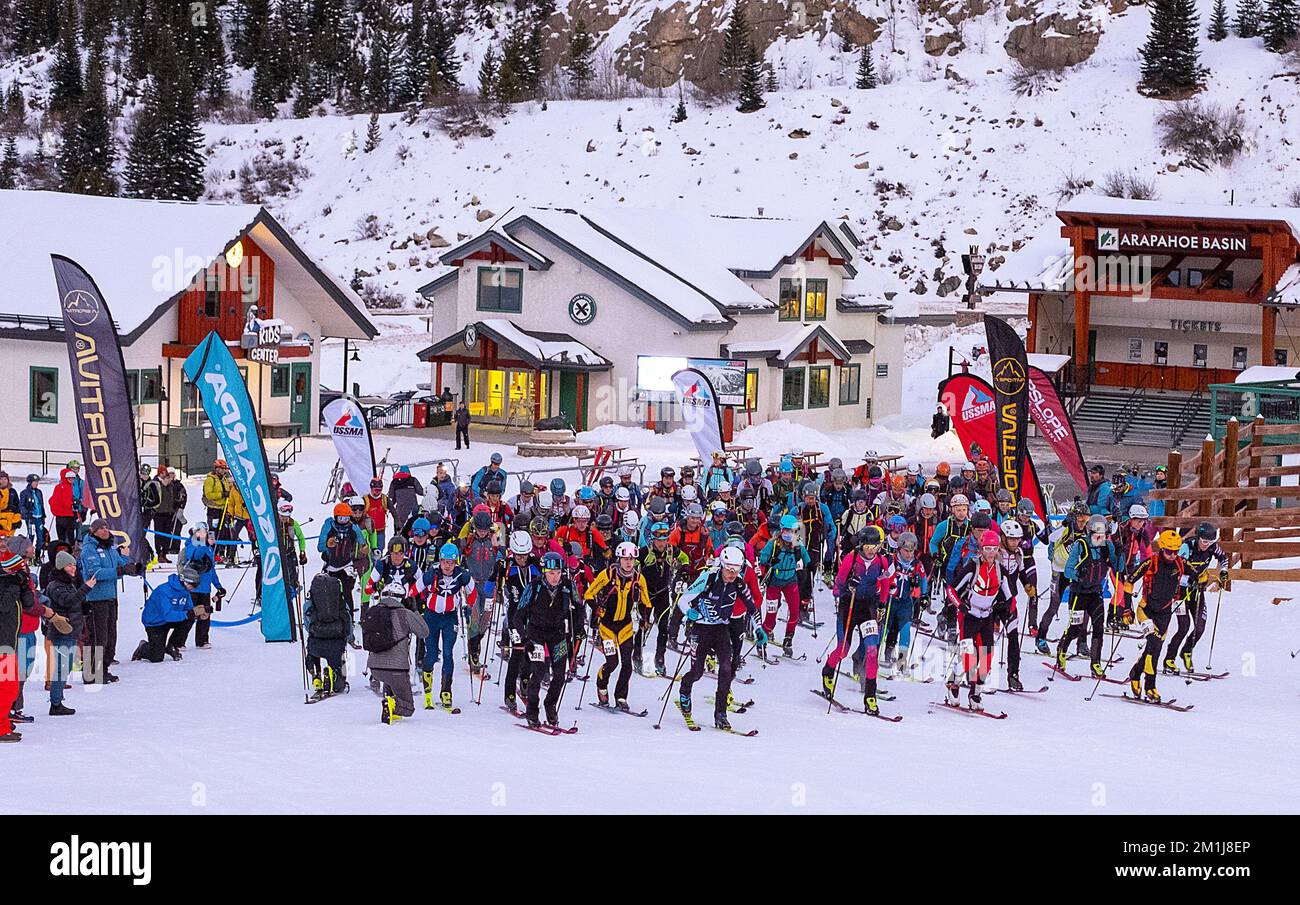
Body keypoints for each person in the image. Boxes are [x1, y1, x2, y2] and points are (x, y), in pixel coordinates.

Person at [675, 545, 758, 731]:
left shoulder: (738, 584)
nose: (732, 574)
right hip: (701, 629)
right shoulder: (709, 578)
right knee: (697, 672)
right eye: (729, 569)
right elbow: (683, 599)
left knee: (727, 670)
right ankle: (685, 689)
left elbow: (751, 607)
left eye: (736, 570)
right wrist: (689, 612)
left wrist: (759, 629)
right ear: (722, 565)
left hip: (721, 629)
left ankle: (721, 714)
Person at [943, 529, 1013, 710]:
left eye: (994, 549)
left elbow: (1009, 596)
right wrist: (960, 605)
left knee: (987, 657)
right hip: (969, 617)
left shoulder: (1000, 570)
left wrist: (1003, 607)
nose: (991, 553)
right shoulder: (972, 567)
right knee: (969, 659)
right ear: (981, 549)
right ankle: (953, 684)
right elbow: (951, 590)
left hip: (987, 617)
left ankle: (975, 693)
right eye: (987, 549)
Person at [822, 527, 887, 711]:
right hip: (849, 605)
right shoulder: (851, 559)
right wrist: (848, 586)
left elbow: (886, 583)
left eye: (875, 546)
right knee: (843, 649)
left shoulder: (881, 561)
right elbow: (837, 587)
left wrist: (882, 603)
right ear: (861, 545)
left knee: (872, 650)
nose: (871, 550)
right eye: (868, 546)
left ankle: (870, 696)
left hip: (868, 608)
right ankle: (827, 671)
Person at [514, 552, 580, 729]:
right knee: (538, 672)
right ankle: (532, 711)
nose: (555, 577)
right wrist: (525, 637)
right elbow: (518, 616)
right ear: (544, 572)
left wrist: (579, 631)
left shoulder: (568, 586)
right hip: (536, 634)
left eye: (558, 572)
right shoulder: (534, 587)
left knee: (559, 674)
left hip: (557, 633)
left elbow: (579, 608)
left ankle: (550, 705)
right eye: (551, 573)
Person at [584, 541, 651, 710]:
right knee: (612, 662)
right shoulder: (607, 575)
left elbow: (646, 602)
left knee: (627, 664)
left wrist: (644, 618)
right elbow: (589, 593)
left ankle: (621, 697)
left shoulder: (638, 578)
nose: (628, 562)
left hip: (625, 627)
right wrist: (596, 607)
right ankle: (601, 684)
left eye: (632, 559)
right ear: (619, 559)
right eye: (625, 558)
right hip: (607, 628)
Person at [78, 519, 143, 684]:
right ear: (93, 531)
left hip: (111, 598)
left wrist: (134, 567)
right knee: (96, 638)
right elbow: (95, 573)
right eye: (101, 528)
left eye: (107, 527)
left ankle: (103, 669)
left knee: (110, 637)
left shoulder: (110, 548)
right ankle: (90, 673)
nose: (105, 530)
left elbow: (121, 565)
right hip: (95, 599)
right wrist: (120, 570)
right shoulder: (89, 550)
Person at [1125, 529, 1185, 703]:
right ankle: (1150, 687)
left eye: (1176, 552)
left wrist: (1202, 580)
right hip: (1146, 611)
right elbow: (1129, 582)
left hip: (1165, 614)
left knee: (1153, 648)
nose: (1173, 555)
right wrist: (1126, 608)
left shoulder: (1180, 564)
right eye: (1169, 552)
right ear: (1161, 549)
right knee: (1154, 647)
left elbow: (1199, 574)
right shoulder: (1150, 563)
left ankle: (1135, 673)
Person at [0, 541, 51, 741]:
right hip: (3, 642)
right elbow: (3, 606)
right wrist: (13, 584)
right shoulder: (6, 584)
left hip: (9, 641)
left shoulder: (14, 580)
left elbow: (29, 603)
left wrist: (22, 584)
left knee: (10, 685)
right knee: (8, 686)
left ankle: (4, 721)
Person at [418, 542, 477, 711]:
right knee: (431, 655)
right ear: (440, 560)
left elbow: (472, 593)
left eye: (451, 562)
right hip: (431, 617)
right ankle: (427, 689)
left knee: (448, 653)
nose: (447, 566)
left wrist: (469, 607)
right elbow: (415, 589)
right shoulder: (432, 573)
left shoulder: (462, 575)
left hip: (450, 618)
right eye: (445, 562)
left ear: (456, 562)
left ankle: (446, 692)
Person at [1057, 515, 1117, 677]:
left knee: (1098, 629)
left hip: (1096, 593)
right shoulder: (1080, 544)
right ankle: (1062, 650)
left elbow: (1117, 566)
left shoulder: (1106, 546)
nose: (1100, 539)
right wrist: (1079, 576)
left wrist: (1119, 553)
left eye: (1103, 535)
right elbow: (1068, 569)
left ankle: (1095, 663)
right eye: (1097, 535)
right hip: (1079, 593)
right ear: (1089, 533)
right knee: (1076, 629)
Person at [1165, 522, 1229, 674]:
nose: (1207, 545)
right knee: (1184, 626)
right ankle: (1169, 659)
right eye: (1204, 541)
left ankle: (1187, 651)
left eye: (1210, 542)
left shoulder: (1213, 547)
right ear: (1199, 538)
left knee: (1200, 626)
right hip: (1180, 591)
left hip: (1197, 591)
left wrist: (1223, 571)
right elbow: (1176, 567)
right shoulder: (1187, 547)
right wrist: (1189, 579)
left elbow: (1223, 558)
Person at [365, 587, 430, 724]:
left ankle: (389, 704)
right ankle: (392, 704)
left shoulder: (372, 612)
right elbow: (424, 632)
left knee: (389, 680)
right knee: (408, 706)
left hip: (375, 668)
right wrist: (415, 611)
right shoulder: (404, 613)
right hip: (397, 669)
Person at [43, 550, 91, 716]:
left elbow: (74, 602)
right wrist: (85, 589)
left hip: (71, 631)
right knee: (61, 668)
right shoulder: (56, 585)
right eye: (70, 565)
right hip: (61, 632)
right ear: (62, 566)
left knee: (66, 666)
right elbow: (68, 601)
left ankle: (58, 700)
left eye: (74, 565)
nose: (73, 568)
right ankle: (55, 703)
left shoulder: (69, 583)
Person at [639, 523, 689, 677]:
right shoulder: (644, 552)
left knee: (663, 627)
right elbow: (633, 566)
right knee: (644, 625)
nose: (661, 543)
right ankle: (636, 653)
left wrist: (685, 569)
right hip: (646, 595)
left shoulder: (671, 550)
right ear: (653, 539)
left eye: (665, 539)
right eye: (658, 540)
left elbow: (684, 557)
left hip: (662, 594)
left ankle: (660, 658)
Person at [757, 513, 811, 658]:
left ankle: (788, 640)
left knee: (794, 612)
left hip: (790, 580)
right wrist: (769, 563)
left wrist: (804, 567)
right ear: (781, 530)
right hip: (774, 581)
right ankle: (762, 640)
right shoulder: (773, 544)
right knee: (771, 616)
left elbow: (807, 560)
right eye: (786, 530)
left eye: (792, 531)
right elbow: (762, 559)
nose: (789, 534)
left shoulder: (798, 545)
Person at [500, 531, 540, 713]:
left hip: (532, 615)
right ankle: (509, 693)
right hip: (515, 615)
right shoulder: (507, 566)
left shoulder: (536, 565)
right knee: (516, 653)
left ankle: (525, 679)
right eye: (518, 555)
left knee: (530, 651)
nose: (522, 559)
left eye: (524, 555)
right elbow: (493, 583)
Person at [133, 567, 200, 663]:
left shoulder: (185, 591)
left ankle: (172, 645)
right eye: (193, 585)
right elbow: (167, 615)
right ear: (185, 582)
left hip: (171, 619)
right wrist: (187, 613)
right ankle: (142, 647)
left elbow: (188, 608)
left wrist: (198, 613)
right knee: (156, 658)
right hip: (155, 623)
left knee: (189, 619)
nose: (194, 588)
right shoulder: (164, 591)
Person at [305, 570, 353, 699]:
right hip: (336, 641)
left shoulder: (311, 602)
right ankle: (334, 676)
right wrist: (347, 636)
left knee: (312, 653)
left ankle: (316, 676)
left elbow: (307, 623)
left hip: (317, 640)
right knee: (339, 687)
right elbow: (347, 618)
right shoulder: (340, 601)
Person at [179, 524, 225, 650]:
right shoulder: (191, 545)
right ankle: (179, 641)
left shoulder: (208, 548)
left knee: (205, 615)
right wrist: (204, 544)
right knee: (189, 615)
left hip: (205, 588)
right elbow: (195, 556)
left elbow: (211, 569)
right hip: (192, 587)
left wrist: (218, 586)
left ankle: (202, 640)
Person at [152, 467, 186, 563]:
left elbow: (173, 496)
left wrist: (177, 503)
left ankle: (165, 553)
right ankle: (159, 553)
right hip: (159, 513)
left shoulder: (171, 485)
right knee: (159, 534)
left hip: (169, 512)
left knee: (167, 534)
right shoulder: (156, 483)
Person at [49, 461, 86, 547]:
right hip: (65, 514)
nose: (75, 471)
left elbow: (83, 495)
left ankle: (75, 547)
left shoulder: (80, 482)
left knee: (77, 531)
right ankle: (66, 548)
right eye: (73, 468)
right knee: (66, 534)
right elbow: (55, 499)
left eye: (77, 469)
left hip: (76, 510)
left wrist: (81, 506)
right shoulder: (61, 485)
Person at [202, 460, 234, 557]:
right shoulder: (210, 480)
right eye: (222, 469)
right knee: (213, 531)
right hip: (213, 509)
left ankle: (222, 551)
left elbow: (229, 489)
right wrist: (222, 495)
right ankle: (212, 552)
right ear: (217, 469)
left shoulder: (224, 479)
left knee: (225, 530)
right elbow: (209, 494)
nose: (224, 471)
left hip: (223, 509)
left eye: (225, 469)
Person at [19, 474, 46, 562]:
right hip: (31, 519)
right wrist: (27, 513)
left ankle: (37, 556)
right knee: (31, 537)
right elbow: (21, 506)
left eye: (37, 481)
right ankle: (29, 556)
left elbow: (41, 504)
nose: (36, 483)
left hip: (39, 518)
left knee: (40, 537)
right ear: (30, 482)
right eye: (34, 482)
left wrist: (43, 515)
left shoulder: (39, 492)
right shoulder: (24, 493)